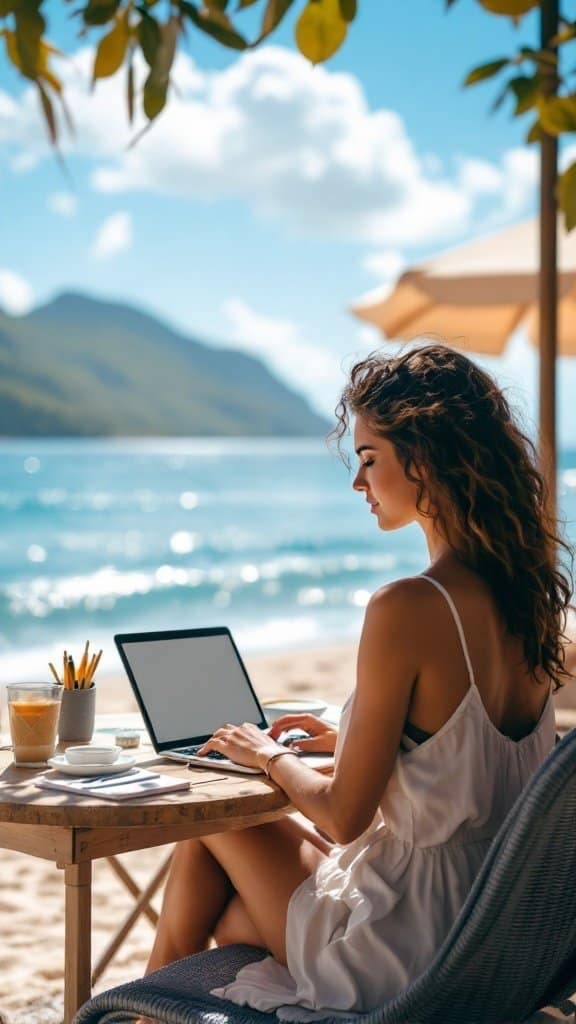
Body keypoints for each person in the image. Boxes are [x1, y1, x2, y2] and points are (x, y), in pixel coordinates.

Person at [145, 343, 573, 1018]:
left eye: (370, 458)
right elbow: (468, 750)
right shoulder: (524, 597)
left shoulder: (409, 606)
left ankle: (148, 1003)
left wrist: (270, 754)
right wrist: (352, 735)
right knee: (229, 918)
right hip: (496, 929)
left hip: (409, 946)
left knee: (209, 838)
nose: (357, 483)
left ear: (425, 460)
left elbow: (345, 819)